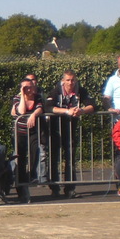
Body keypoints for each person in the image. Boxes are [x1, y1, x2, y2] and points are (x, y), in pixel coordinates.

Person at [45, 70, 95, 198]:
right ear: (63, 81)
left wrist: (81, 110)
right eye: (68, 80)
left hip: (71, 128)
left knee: (70, 158)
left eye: (73, 80)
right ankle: (54, 188)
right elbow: (49, 107)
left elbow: (92, 105)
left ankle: (70, 188)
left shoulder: (80, 90)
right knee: (54, 158)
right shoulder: (56, 91)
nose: (70, 83)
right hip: (55, 128)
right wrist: (67, 111)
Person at [11, 78, 45, 203]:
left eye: (30, 87)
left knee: (33, 155)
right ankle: (21, 190)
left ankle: (30, 178)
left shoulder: (37, 97)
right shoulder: (16, 98)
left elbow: (41, 108)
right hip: (19, 132)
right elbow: (21, 111)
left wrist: (33, 114)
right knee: (19, 160)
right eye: (26, 87)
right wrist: (22, 95)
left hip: (33, 132)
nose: (29, 89)